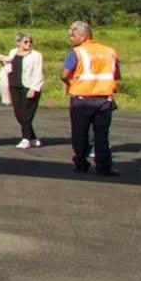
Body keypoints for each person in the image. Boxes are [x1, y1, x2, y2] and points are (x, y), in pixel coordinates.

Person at [60, 20, 119, 176]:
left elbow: (64, 74)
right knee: (101, 135)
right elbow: (116, 74)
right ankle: (104, 167)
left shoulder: (76, 52)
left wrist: (71, 83)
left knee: (80, 133)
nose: (71, 39)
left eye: (73, 35)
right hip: (104, 100)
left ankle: (81, 163)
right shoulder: (110, 51)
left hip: (82, 99)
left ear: (83, 36)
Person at [0, 32, 44, 148]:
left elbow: (38, 73)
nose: (28, 44)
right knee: (18, 113)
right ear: (18, 43)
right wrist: (2, 61)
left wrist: (34, 88)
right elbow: (9, 66)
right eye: (25, 42)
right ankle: (32, 137)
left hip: (29, 86)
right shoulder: (13, 52)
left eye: (30, 41)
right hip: (14, 85)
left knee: (27, 114)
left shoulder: (36, 55)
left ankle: (26, 138)